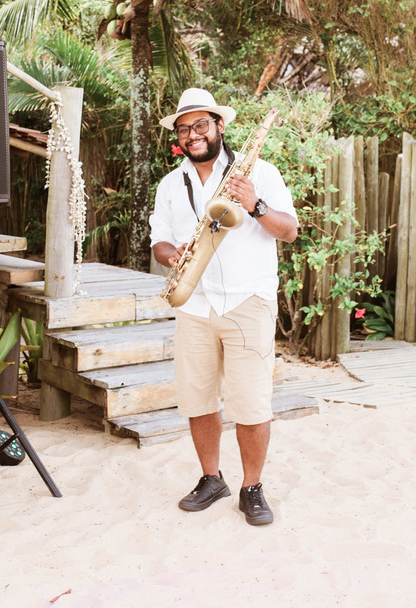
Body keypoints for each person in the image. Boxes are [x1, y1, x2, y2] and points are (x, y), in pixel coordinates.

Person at [149, 88, 299, 526]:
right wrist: (170, 255)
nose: (192, 134)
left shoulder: (260, 173)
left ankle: (252, 487)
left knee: (251, 402)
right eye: (184, 128)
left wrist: (254, 204)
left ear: (219, 126)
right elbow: (159, 240)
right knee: (197, 398)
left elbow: (289, 230)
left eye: (201, 125)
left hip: (247, 300)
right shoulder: (170, 184)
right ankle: (212, 479)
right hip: (194, 303)